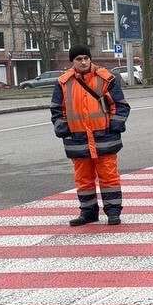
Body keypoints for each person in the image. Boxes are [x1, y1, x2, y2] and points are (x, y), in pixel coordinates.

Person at [50, 45, 130, 226]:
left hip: (104, 137)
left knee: (109, 177)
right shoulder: (63, 82)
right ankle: (88, 213)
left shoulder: (105, 78)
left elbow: (120, 105)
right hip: (77, 139)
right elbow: (57, 109)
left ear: (90, 59)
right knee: (83, 179)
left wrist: (114, 127)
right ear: (73, 62)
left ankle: (113, 212)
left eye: (86, 58)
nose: (83, 62)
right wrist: (63, 129)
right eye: (79, 59)